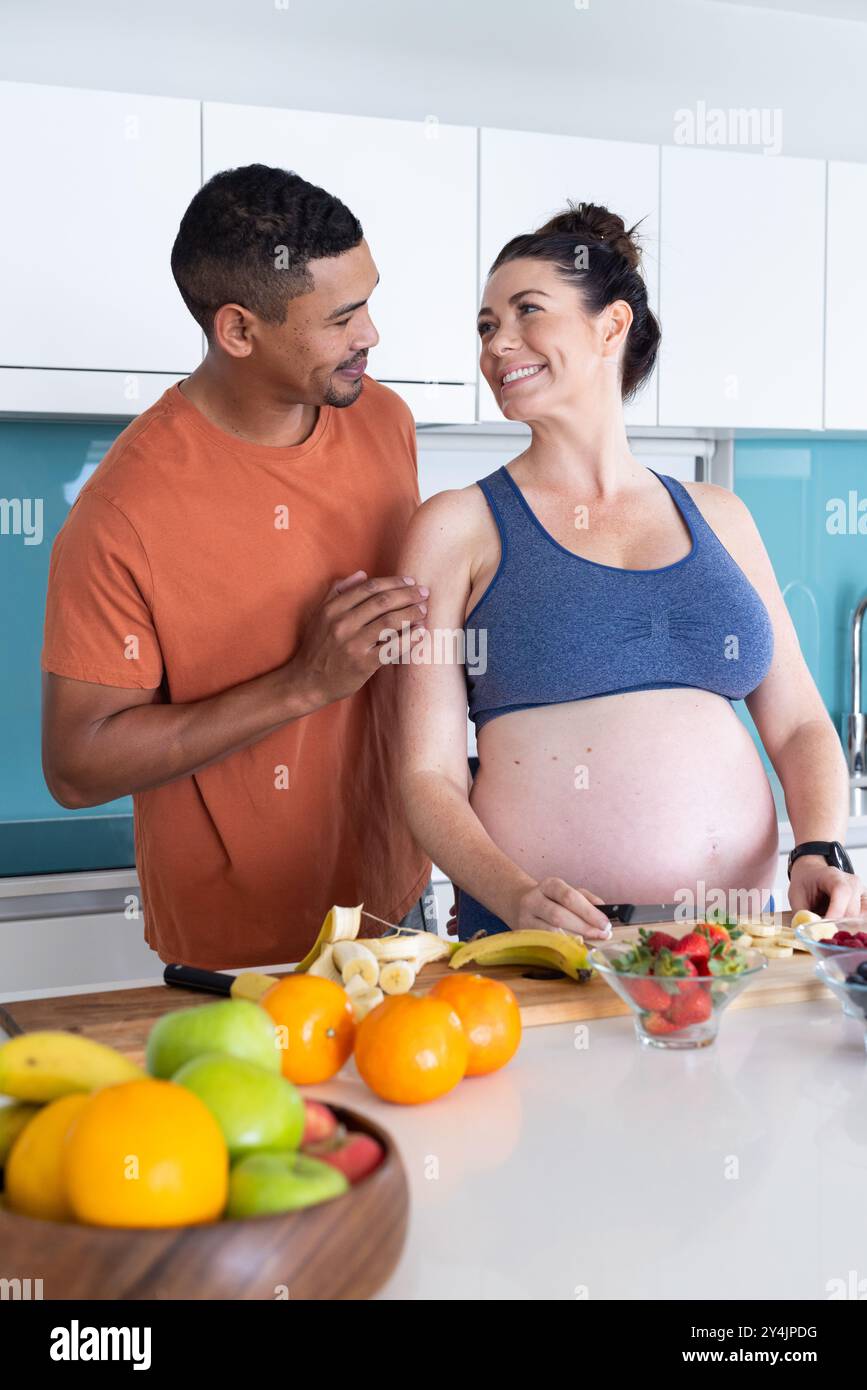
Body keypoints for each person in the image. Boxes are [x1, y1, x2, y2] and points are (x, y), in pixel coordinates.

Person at [398, 202, 866, 939]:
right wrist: (514, 895)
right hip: (547, 943)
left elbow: (801, 720)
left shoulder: (719, 515)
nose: (497, 343)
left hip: (733, 942)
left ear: (610, 325)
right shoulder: (456, 525)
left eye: (526, 311)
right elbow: (426, 775)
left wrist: (818, 844)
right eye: (486, 326)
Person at [41, 163, 434, 969]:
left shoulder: (383, 419)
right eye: (342, 317)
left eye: (369, 300)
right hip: (238, 946)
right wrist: (303, 682)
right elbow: (77, 767)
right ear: (238, 330)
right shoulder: (125, 510)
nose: (371, 335)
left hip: (395, 899)